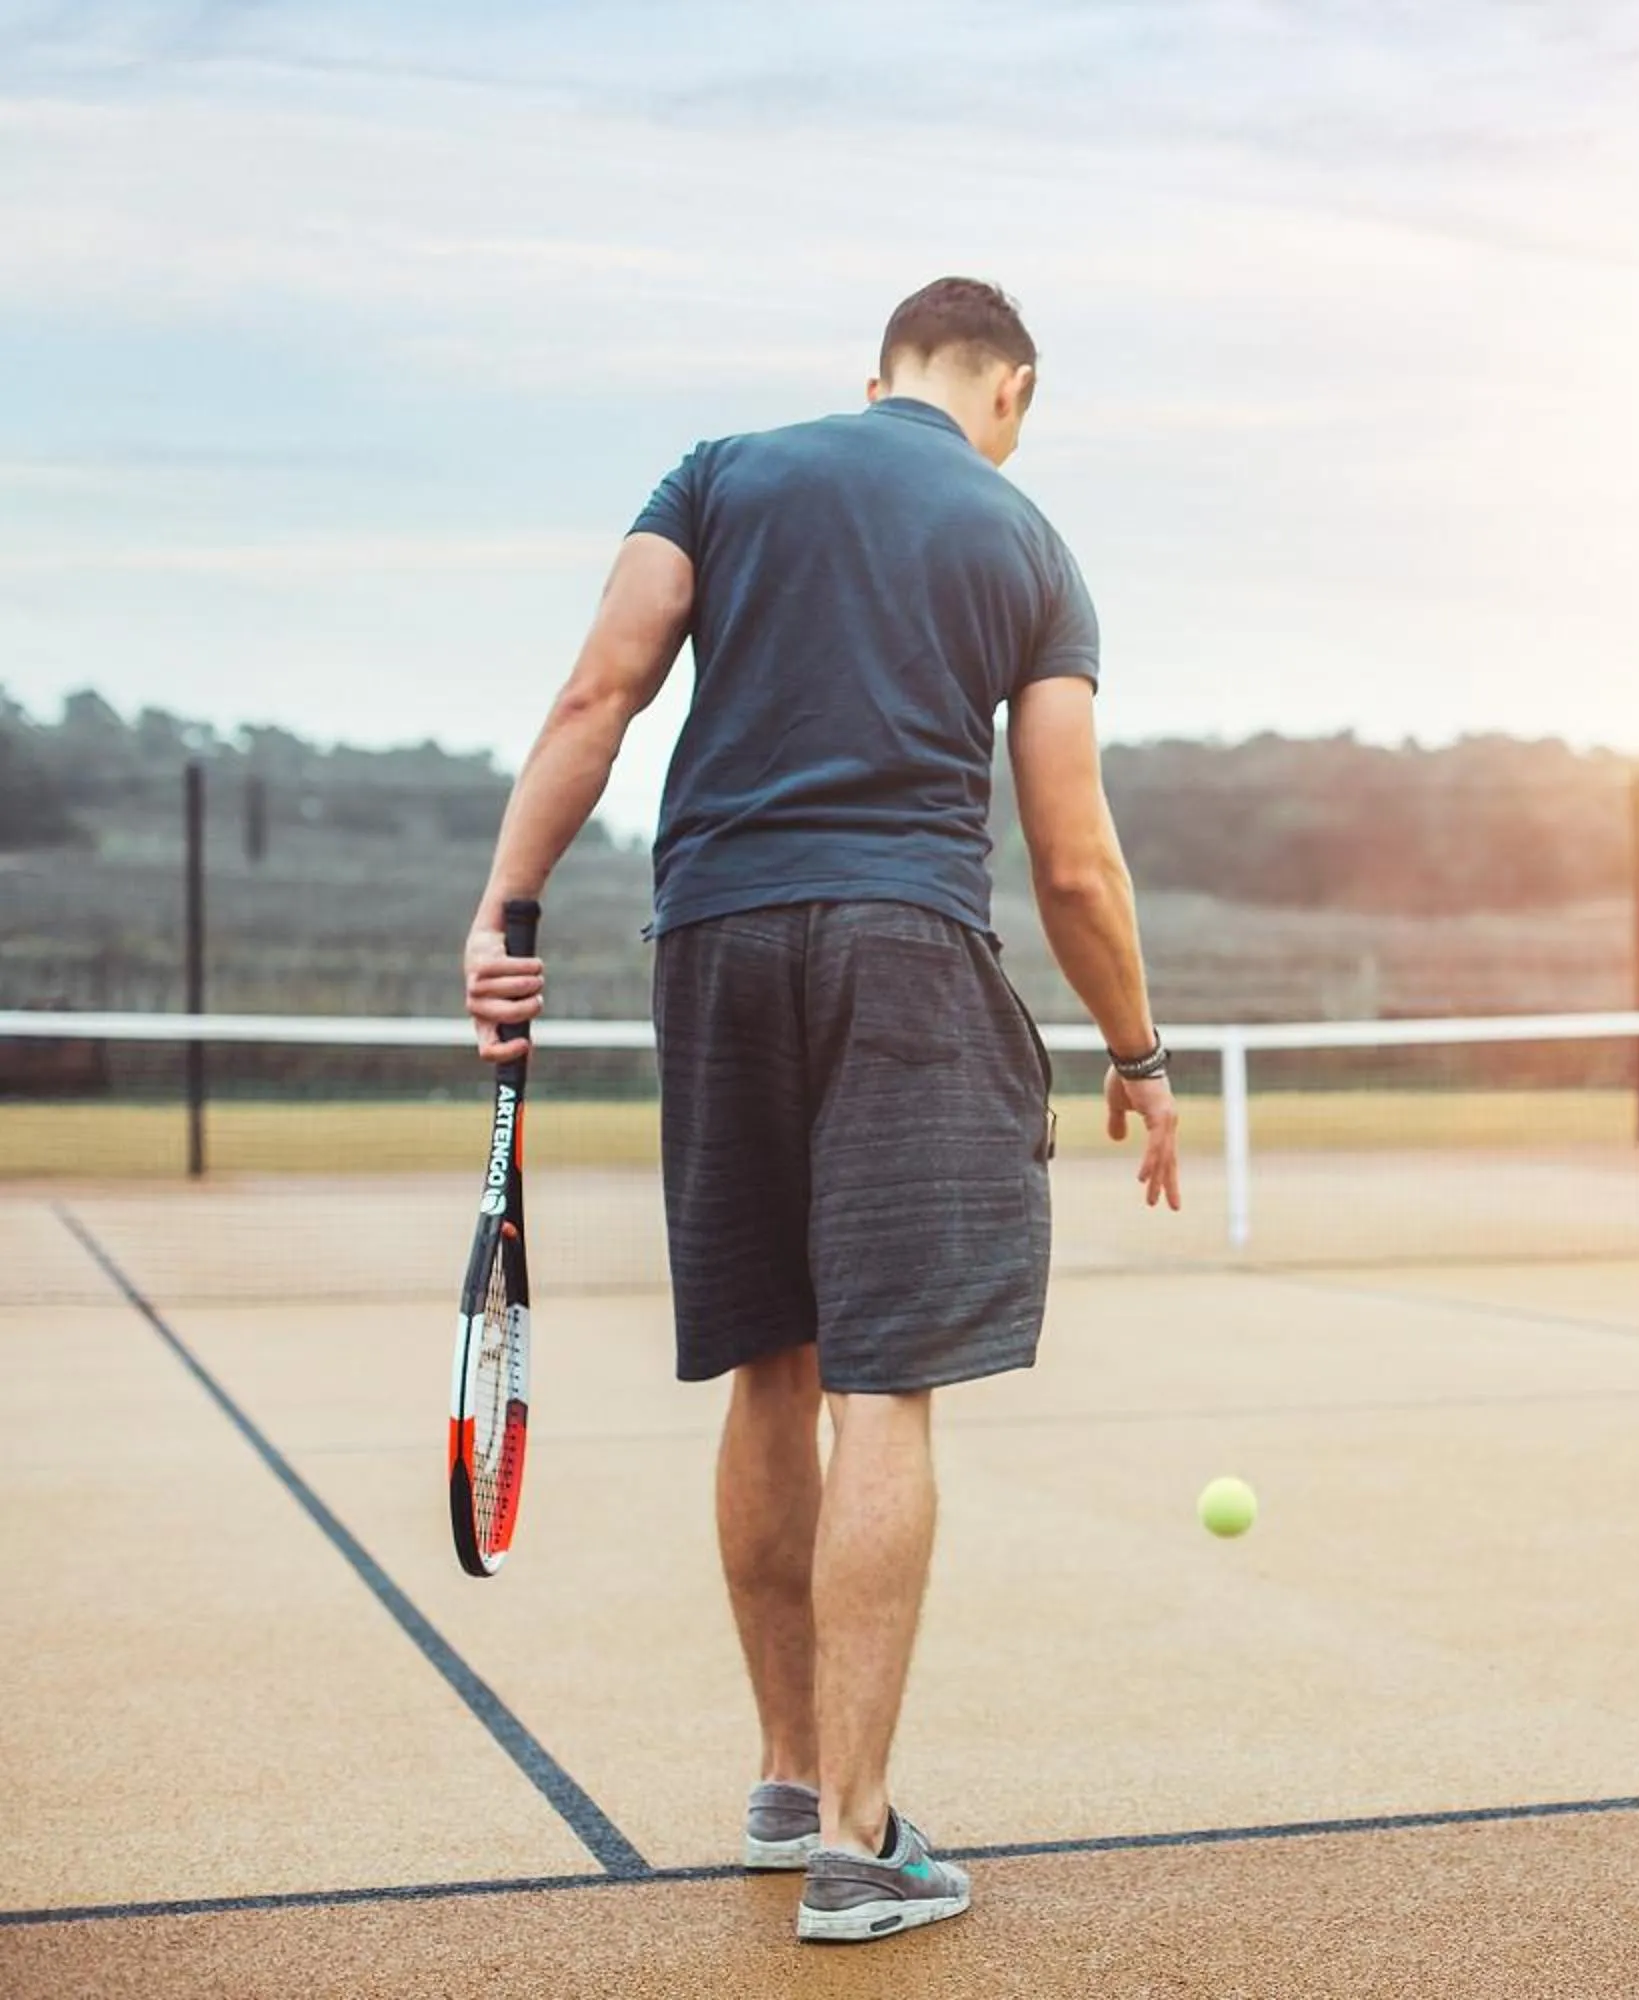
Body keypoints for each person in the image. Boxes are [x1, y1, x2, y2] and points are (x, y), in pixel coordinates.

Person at [459, 277, 1179, 1945]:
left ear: (875, 381)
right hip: (903, 945)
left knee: (771, 1364)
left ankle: (790, 1775)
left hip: (710, 938)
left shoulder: (716, 471)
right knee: (887, 1389)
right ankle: (860, 1844)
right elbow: (1071, 852)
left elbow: (597, 698)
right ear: (1011, 390)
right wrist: (1137, 1054)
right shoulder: (1026, 538)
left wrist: (504, 911)